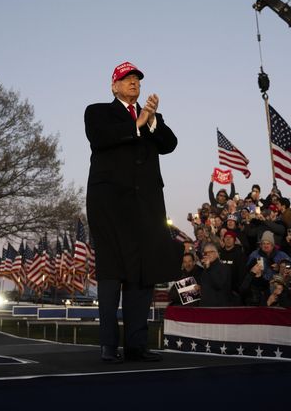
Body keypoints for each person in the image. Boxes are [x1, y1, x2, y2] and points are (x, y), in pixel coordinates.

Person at [85, 61, 182, 363]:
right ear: (113, 86)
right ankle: (108, 345)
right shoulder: (98, 111)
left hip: (146, 208)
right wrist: (137, 123)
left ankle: (137, 345)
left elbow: (170, 144)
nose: (133, 83)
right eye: (126, 79)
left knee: (143, 274)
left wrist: (151, 121)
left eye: (137, 79)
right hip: (110, 206)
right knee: (112, 272)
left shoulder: (153, 119)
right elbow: (99, 138)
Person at [198, 242, 232, 306]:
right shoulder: (206, 268)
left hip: (218, 307)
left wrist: (208, 268)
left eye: (210, 252)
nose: (207, 254)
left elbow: (218, 285)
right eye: (205, 253)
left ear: (216, 253)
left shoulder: (224, 267)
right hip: (205, 306)